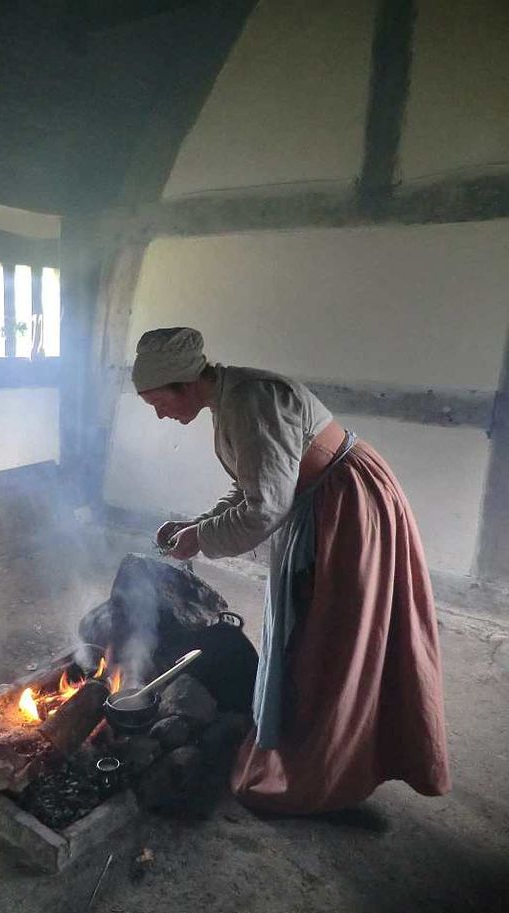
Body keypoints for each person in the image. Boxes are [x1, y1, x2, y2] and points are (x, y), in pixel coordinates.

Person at [132, 326, 450, 814]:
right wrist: (197, 524)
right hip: (318, 503)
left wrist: (200, 538)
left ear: (185, 383)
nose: (159, 412)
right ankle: (315, 759)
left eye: (158, 401)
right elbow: (252, 487)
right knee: (311, 634)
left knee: (333, 642)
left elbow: (264, 508)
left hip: (347, 506)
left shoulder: (253, 402)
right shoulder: (228, 399)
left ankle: (323, 777)